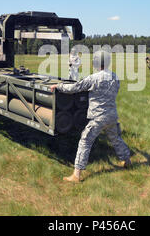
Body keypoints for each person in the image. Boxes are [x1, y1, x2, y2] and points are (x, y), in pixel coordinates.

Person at [50, 50, 132, 183]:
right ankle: (127, 161)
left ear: (96, 62)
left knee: (85, 141)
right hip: (112, 116)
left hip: (98, 118)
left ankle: (76, 175)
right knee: (116, 139)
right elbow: (116, 91)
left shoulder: (93, 78)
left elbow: (75, 88)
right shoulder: (115, 77)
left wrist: (58, 86)